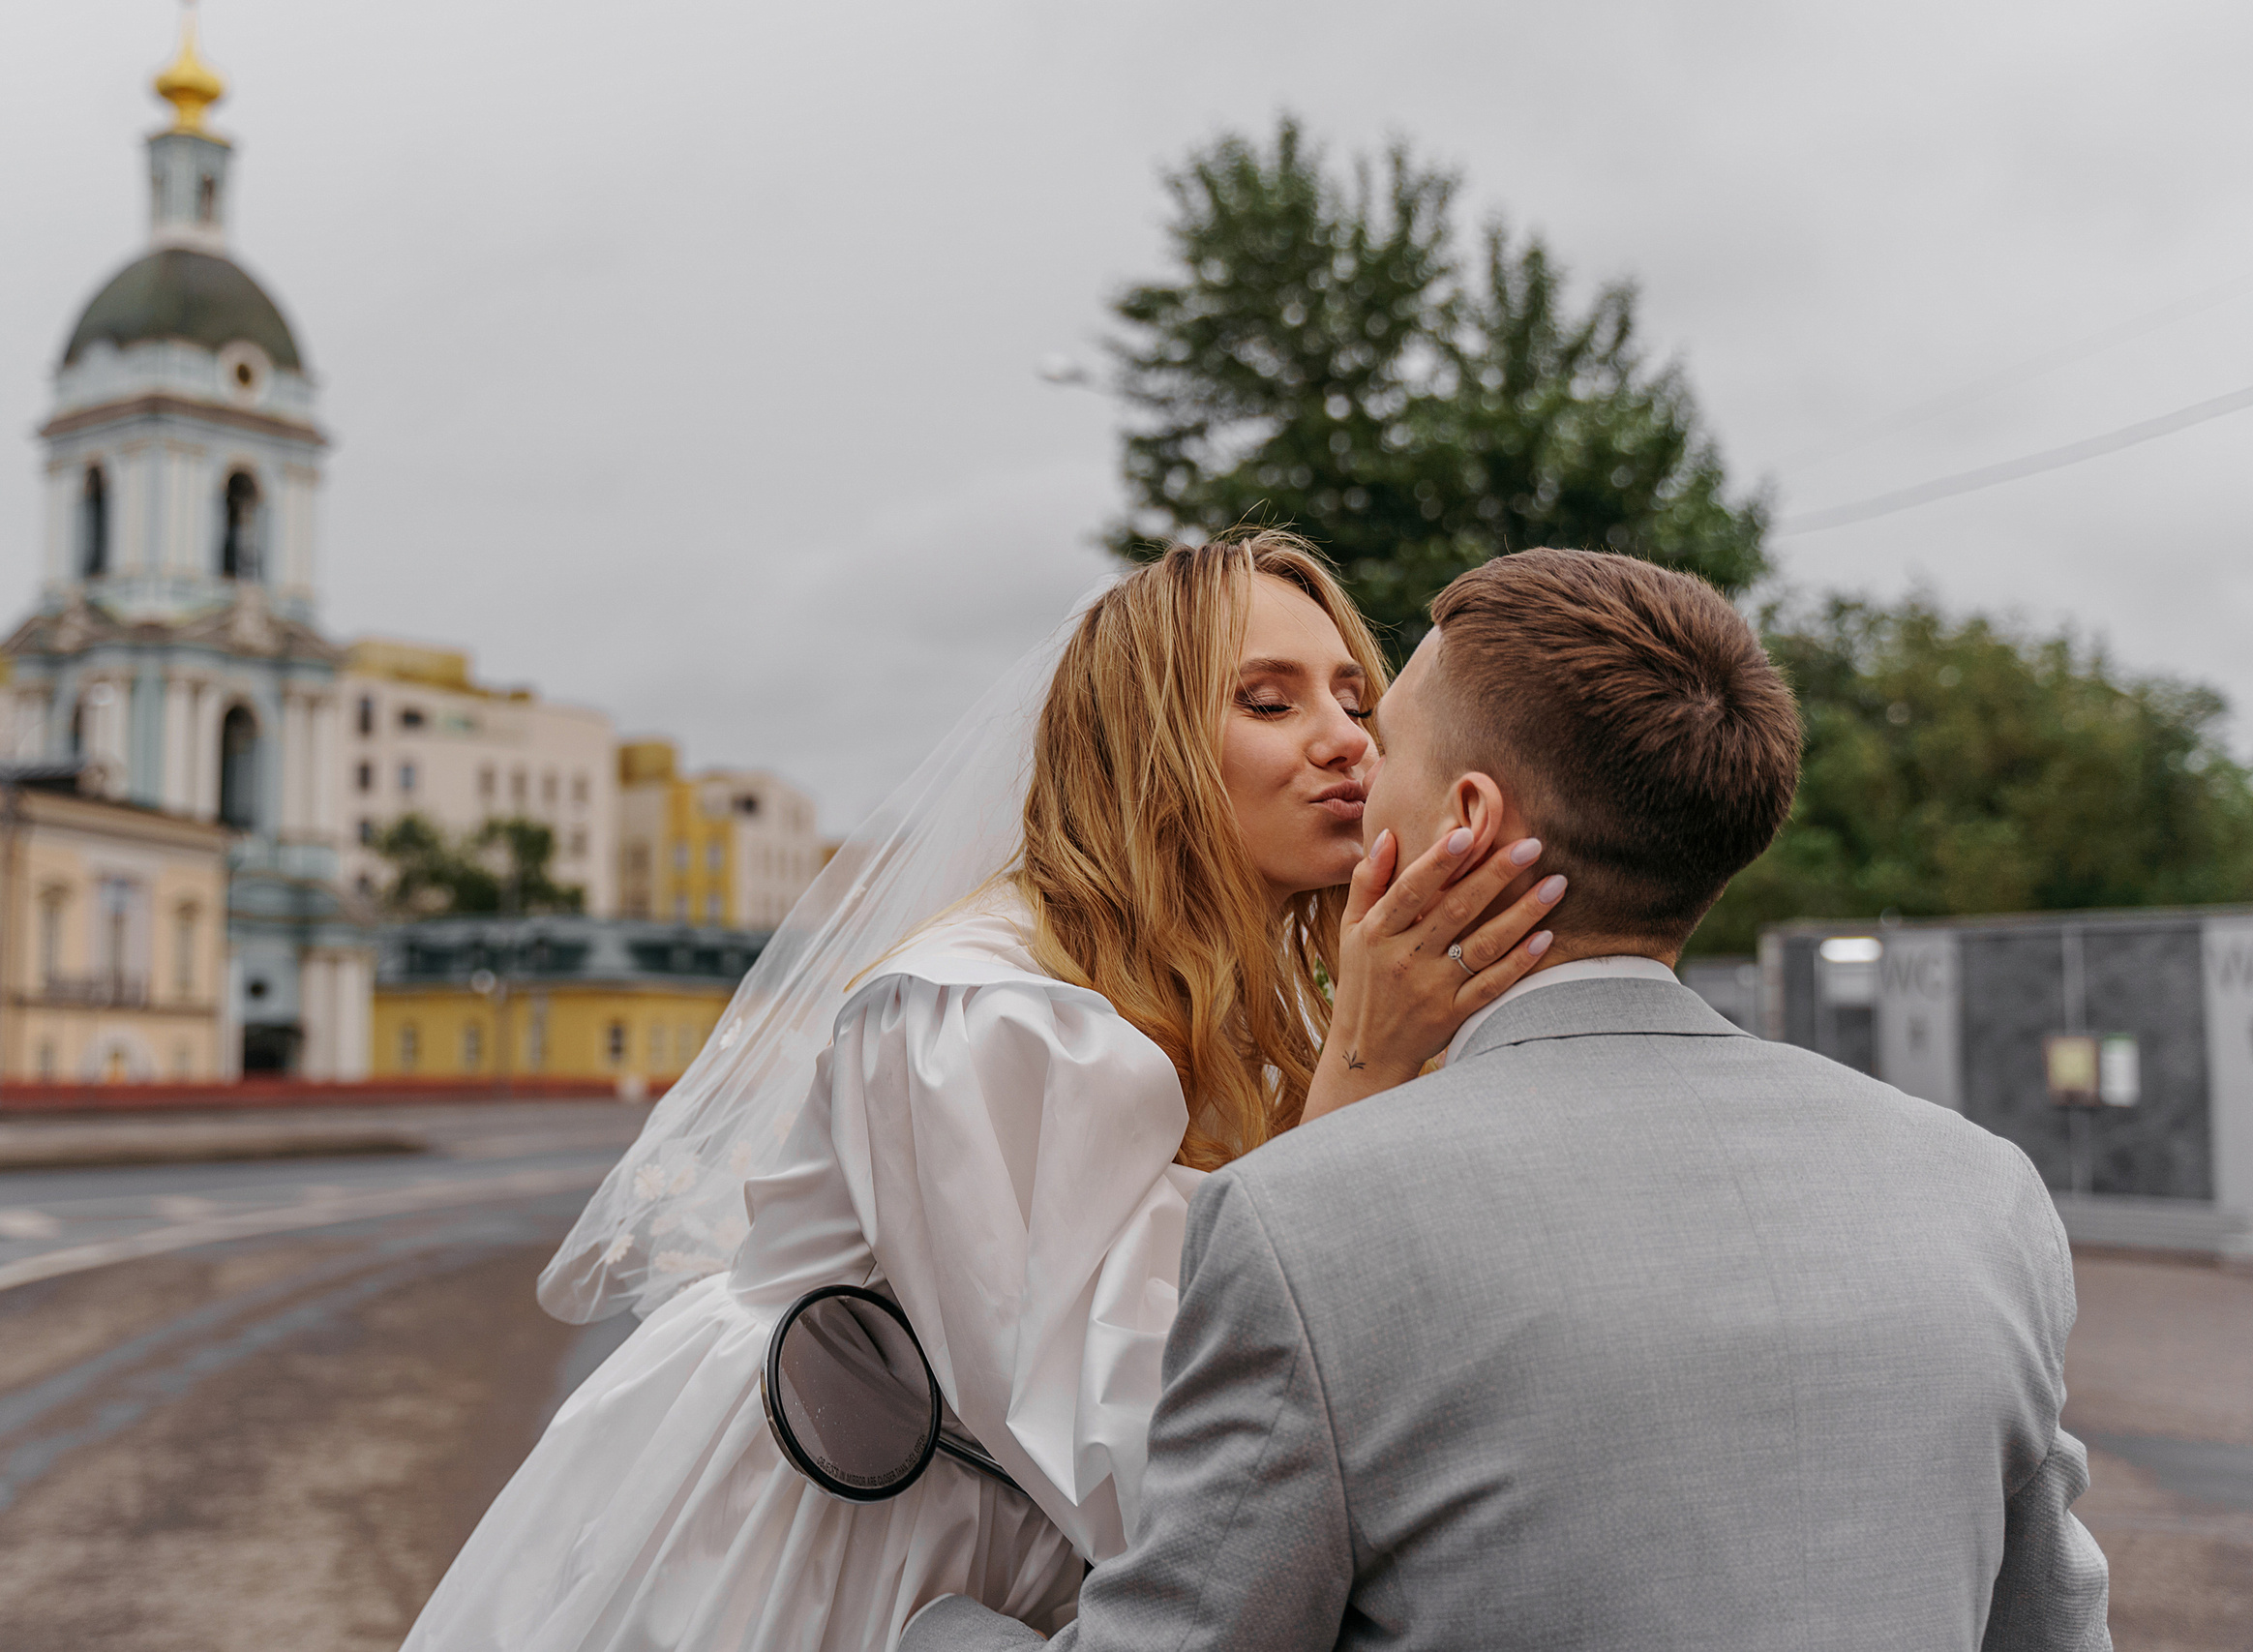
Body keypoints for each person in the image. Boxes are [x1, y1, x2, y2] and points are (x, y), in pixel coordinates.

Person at [906, 547, 2112, 1652]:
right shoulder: (1984, 1192)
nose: (1351, 759)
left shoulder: (1305, 1221)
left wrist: (939, 1633)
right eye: (1272, 702)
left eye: (1382, 726)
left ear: (1469, 819)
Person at [398, 534, 1564, 1652]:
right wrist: (1365, 1070)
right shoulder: (978, 1016)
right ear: (1139, 748)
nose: (1346, 743)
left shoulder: (1279, 1001)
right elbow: (1132, 1457)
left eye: (1355, 702)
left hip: (1016, 1559)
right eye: (1268, 702)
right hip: (824, 1555)